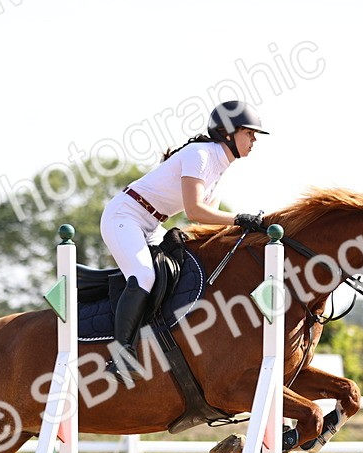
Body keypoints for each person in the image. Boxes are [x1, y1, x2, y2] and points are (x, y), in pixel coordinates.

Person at [100, 100, 268, 381]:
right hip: (125, 215)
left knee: (177, 272)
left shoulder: (221, 167)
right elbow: (194, 210)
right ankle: (121, 354)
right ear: (228, 131)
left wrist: (247, 230)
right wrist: (240, 218)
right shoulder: (200, 154)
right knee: (143, 275)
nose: (253, 141)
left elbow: (205, 219)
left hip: (152, 222)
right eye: (249, 133)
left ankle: (158, 340)